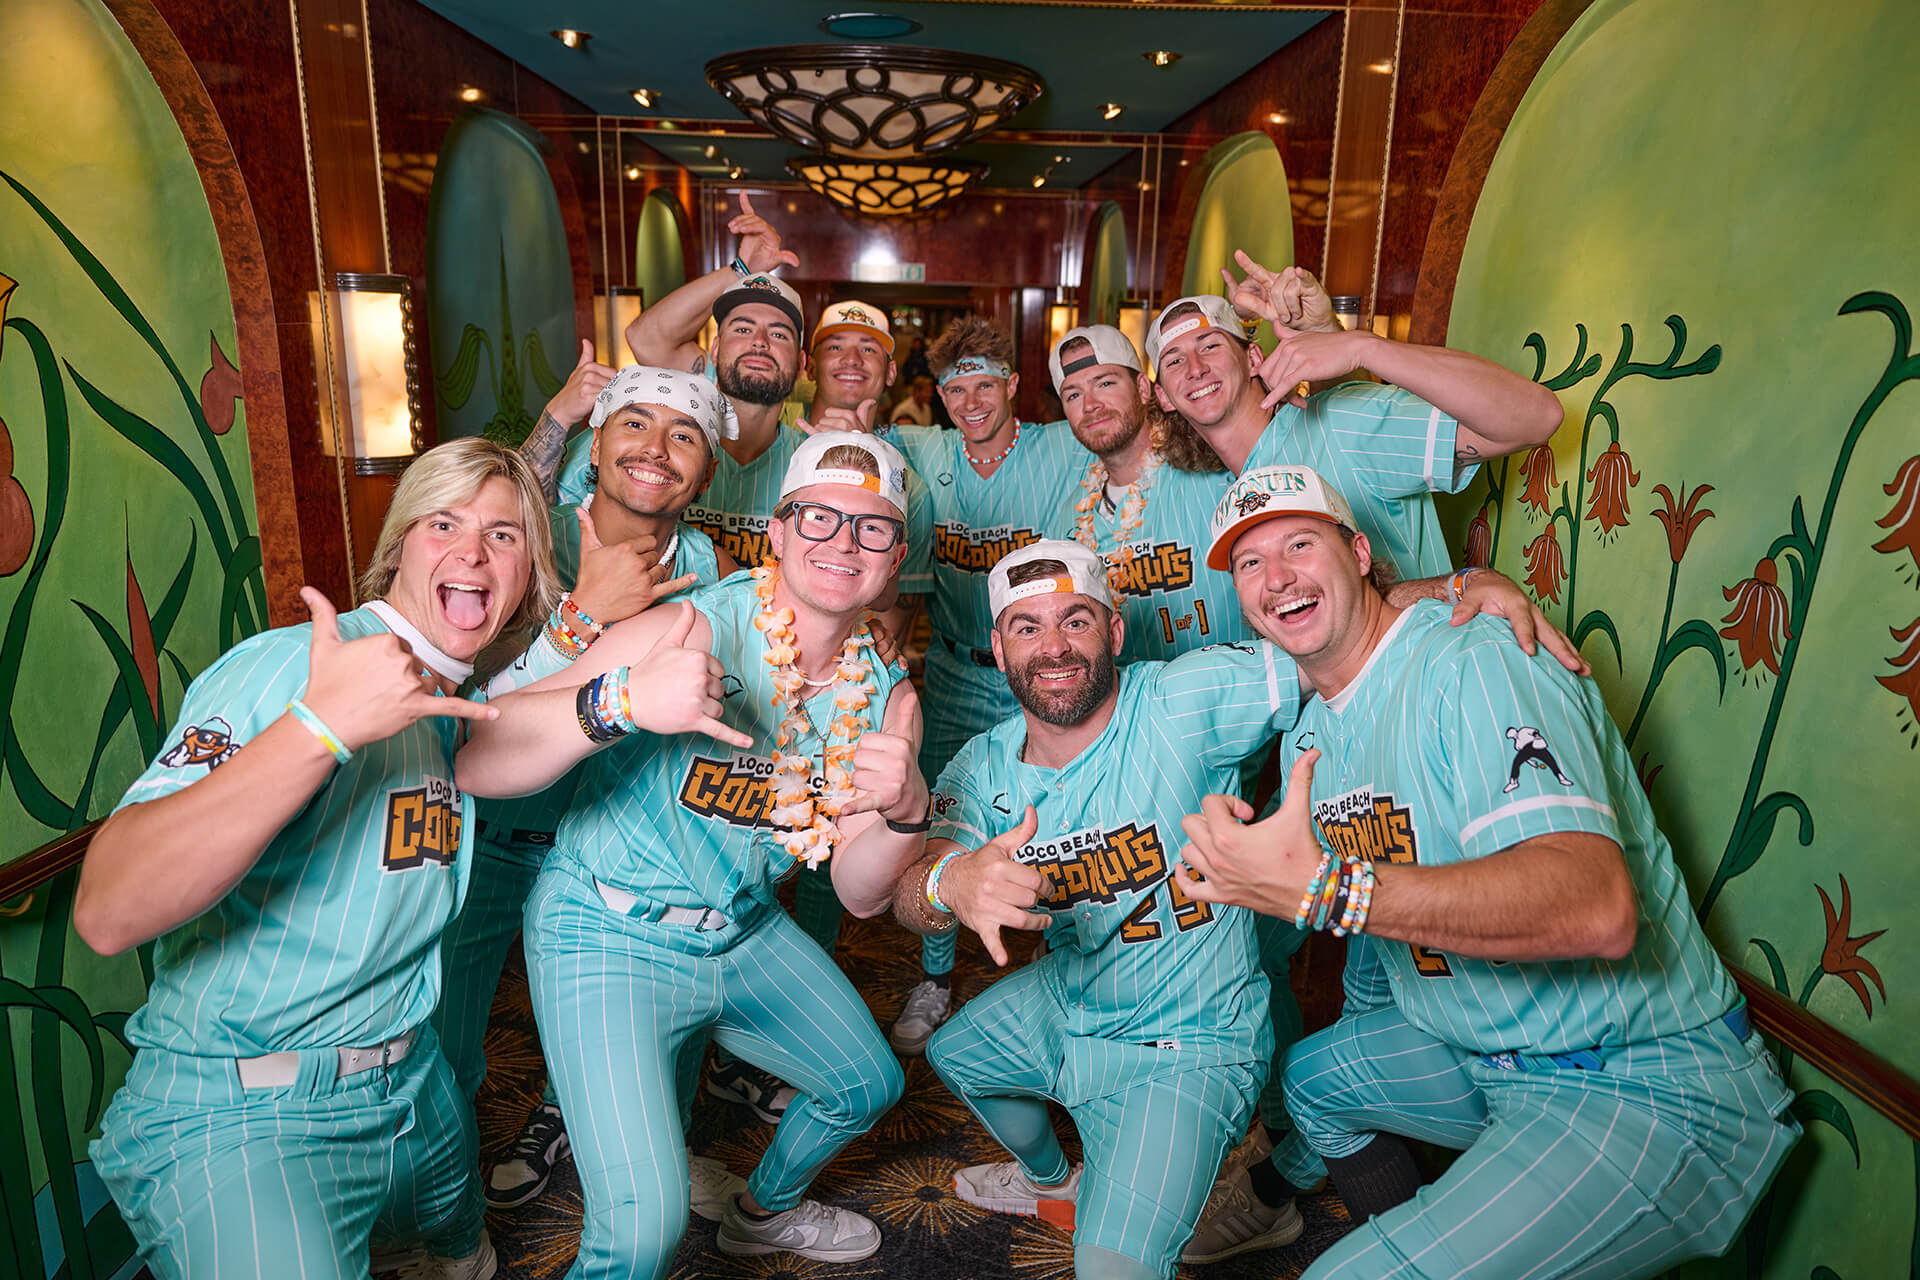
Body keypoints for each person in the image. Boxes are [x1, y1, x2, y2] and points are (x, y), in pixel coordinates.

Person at [1174, 465, 1801, 1278]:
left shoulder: (1474, 661)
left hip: (1642, 1078)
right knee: (1315, 1080)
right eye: (1250, 563)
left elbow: (1596, 907)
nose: (1278, 577)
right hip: (1487, 1059)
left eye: (1300, 544)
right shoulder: (1310, 739)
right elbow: (1349, 923)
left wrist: (1329, 890)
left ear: (1359, 554)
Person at [1145, 271, 1580, 1261]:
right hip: (1322, 753)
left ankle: (1407, 1202)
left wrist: (1359, 347)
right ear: (1161, 394)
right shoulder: (1217, 495)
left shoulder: (1340, 425)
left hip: (1426, 749)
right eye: (1172, 360)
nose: (1195, 366)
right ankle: (1314, 1174)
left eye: (1211, 342)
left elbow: (1533, 417)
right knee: (1346, 993)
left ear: (1252, 352)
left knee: (1402, 978)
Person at [78, 438, 560, 1280]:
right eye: (444, 523)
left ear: (526, 577)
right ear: (400, 544)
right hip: (244, 1109)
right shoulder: (292, 668)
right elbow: (109, 908)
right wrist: (318, 728)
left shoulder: (449, 696)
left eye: (504, 535)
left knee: (462, 1249)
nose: (473, 552)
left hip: (410, 1080)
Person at [456, 431, 931, 1278]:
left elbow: (860, 895)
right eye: (818, 518)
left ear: (895, 558)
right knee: (644, 1231)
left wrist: (906, 814)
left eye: (872, 528)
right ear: (776, 532)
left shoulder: (887, 695)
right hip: (606, 929)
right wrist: (621, 700)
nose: (843, 543)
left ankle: (762, 1212)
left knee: (868, 1084)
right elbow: (480, 759)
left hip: (743, 931)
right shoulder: (688, 625)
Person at [892, 539, 1297, 1280]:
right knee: (958, 1053)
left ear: (1113, 631)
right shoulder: (982, 764)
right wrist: (951, 882)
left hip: (1188, 1043)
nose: (1053, 647)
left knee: (1111, 1268)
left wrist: (1454, 591)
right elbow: (912, 891)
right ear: (999, 648)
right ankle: (1055, 1183)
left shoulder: (1180, 699)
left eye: (1075, 621)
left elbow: (1342, 647)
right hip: (1073, 997)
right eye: (1027, 627)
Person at [432, 369, 742, 1214]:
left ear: (707, 471)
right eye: (634, 424)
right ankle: (449, 1223)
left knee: (655, 1023)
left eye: (684, 435)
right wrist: (583, 612)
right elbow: (463, 697)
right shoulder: (524, 537)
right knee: (448, 1042)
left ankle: (574, 1121)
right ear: (594, 447)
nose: (656, 449)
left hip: (615, 845)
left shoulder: (710, 566)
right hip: (496, 834)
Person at [886, 316, 1085, 1055]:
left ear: (1012, 385)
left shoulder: (1060, 445)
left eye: (984, 386)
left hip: (1046, 671)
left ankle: (1060, 966)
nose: (970, 402)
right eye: (954, 390)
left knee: (1062, 816)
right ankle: (935, 977)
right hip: (955, 669)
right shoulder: (924, 449)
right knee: (942, 823)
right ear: (939, 396)